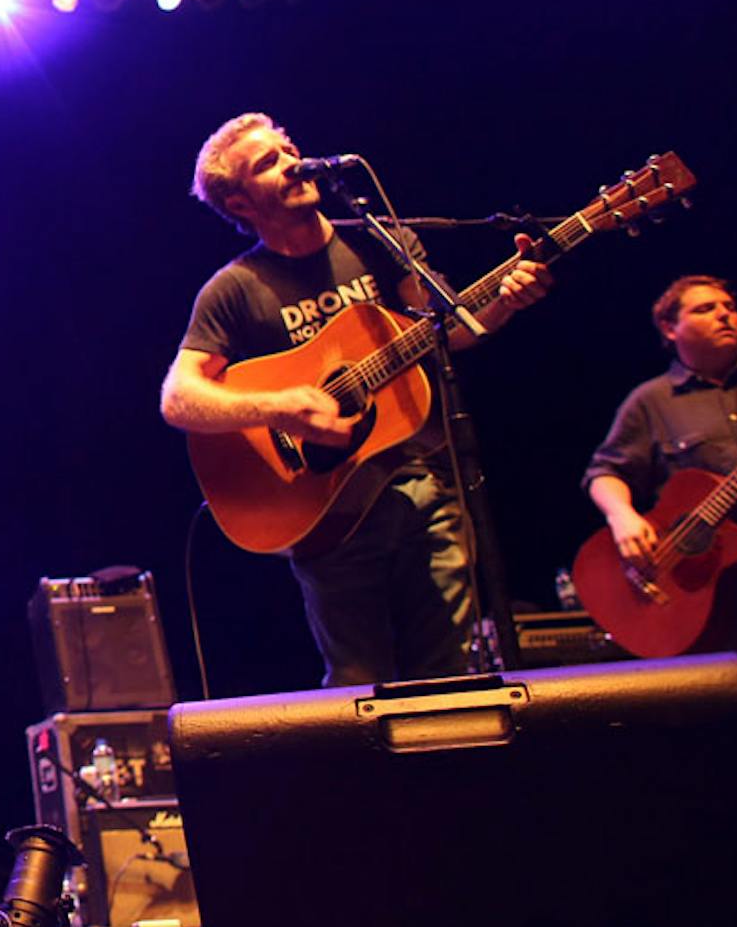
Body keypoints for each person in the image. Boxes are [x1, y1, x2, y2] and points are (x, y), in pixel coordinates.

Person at [159, 113, 549, 686]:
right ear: (240, 203)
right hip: (329, 512)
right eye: (268, 163)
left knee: (450, 675)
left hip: (424, 482)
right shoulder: (234, 289)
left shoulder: (379, 243)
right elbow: (178, 398)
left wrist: (505, 301)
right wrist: (278, 408)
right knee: (359, 683)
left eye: (289, 149)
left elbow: (451, 329)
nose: (292, 163)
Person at [583, 276, 737, 661]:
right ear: (670, 328)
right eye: (705, 309)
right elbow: (604, 473)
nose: (724, 315)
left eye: (729, 307)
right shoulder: (651, 400)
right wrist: (622, 517)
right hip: (721, 596)